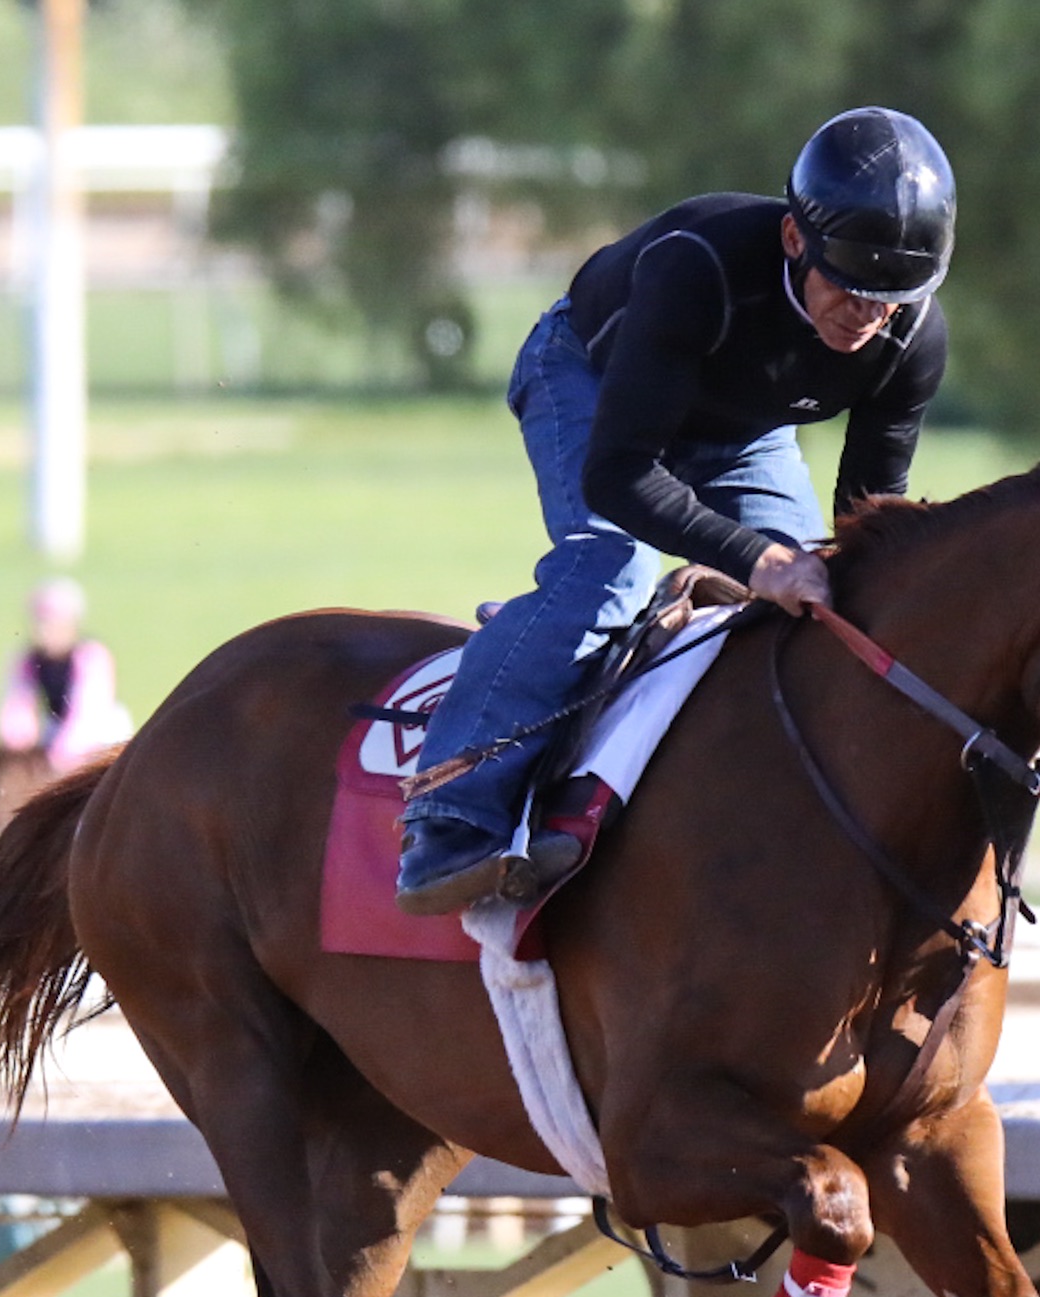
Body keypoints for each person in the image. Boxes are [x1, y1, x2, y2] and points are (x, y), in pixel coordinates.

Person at [396, 106, 955, 915]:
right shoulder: (696, 269)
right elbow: (621, 477)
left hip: (743, 433)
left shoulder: (909, 338)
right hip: (587, 382)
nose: (870, 318)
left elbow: (865, 518)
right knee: (611, 569)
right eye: (853, 289)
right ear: (795, 241)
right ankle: (450, 812)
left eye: (893, 300)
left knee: (825, 600)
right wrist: (758, 559)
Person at [0, 576, 133, 774]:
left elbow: (87, 715)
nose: (42, 631)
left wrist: (59, 759)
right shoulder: (28, 660)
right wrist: (18, 750)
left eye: (51, 623)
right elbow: (18, 706)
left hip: (102, 734)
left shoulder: (91, 657)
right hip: (57, 731)